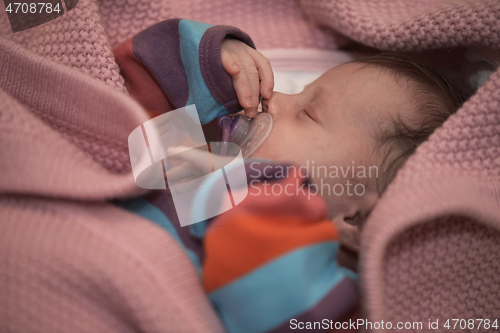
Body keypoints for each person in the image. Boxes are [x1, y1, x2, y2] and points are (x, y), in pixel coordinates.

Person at [114, 18, 468, 332]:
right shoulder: (206, 168)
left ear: (357, 219)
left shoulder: (321, 302)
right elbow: (126, 106)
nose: (277, 98)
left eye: (308, 113)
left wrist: (267, 186)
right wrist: (213, 66)